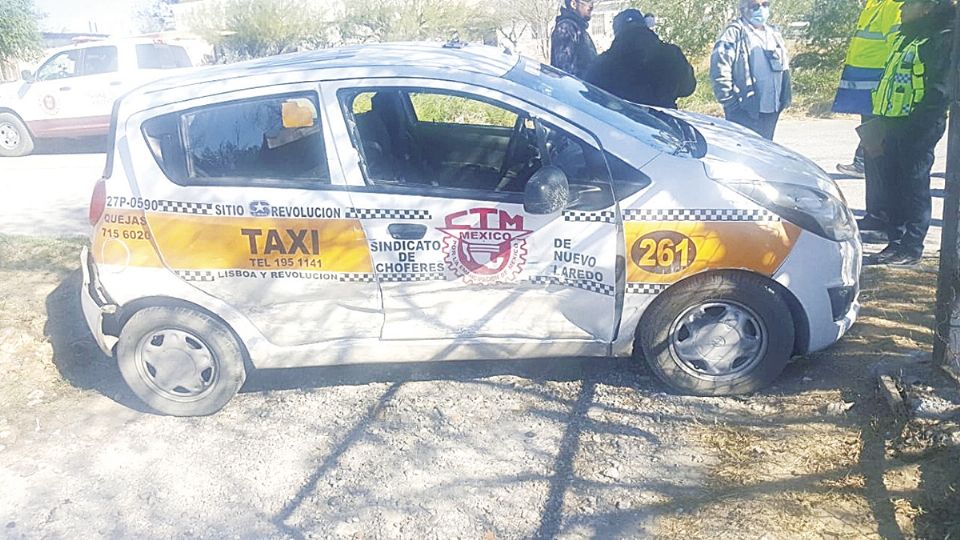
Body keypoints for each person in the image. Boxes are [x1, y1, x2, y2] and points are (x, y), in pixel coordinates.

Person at [865, 0, 953, 266]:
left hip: (918, 125)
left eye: (908, 5)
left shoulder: (943, 38)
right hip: (892, 122)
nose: (901, 10)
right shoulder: (907, 37)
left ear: (926, 8)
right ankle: (896, 242)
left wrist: (918, 122)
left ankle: (912, 247)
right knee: (893, 184)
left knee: (914, 186)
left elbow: (940, 90)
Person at [831, 0, 902, 242]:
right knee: (873, 161)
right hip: (867, 97)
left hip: (881, 97)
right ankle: (875, 214)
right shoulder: (874, 5)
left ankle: (888, 219)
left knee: (883, 160)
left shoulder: (893, 6)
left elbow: (897, 51)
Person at [709, 0, 792, 140]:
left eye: (765, 4)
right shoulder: (734, 33)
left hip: (772, 109)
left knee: (766, 153)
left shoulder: (774, 33)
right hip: (745, 111)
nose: (762, 9)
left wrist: (785, 98)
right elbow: (719, 71)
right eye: (755, 6)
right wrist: (731, 104)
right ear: (743, 9)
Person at [585, 8, 695, 109]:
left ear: (616, 32)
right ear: (645, 26)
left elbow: (590, 99)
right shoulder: (672, 54)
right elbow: (688, 88)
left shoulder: (602, 65)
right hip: (664, 125)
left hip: (620, 126)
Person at [550, 0, 598, 78]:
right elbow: (566, 73)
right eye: (587, 1)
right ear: (574, 4)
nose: (591, 6)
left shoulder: (578, 29)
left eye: (592, 2)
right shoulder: (566, 28)